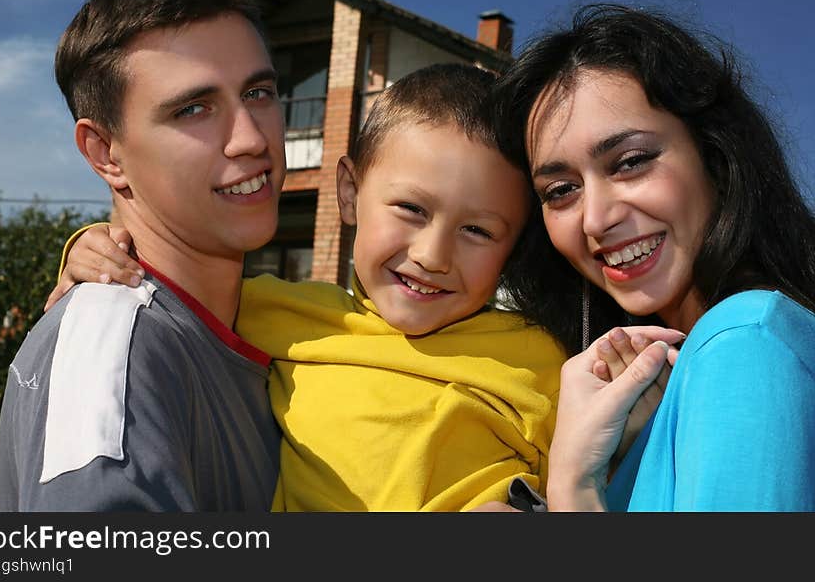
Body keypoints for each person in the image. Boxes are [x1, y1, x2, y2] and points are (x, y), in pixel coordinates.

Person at [48, 62, 684, 511]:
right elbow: (162, 285)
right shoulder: (278, 310)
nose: (432, 256)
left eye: (477, 231)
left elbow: (590, 474)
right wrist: (86, 249)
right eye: (410, 210)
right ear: (350, 193)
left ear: (514, 246)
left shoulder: (544, 357)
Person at [494, 3, 815, 511]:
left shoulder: (744, 343)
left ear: (715, 155)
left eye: (630, 162)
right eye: (561, 190)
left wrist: (574, 488)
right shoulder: (676, 377)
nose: (595, 218)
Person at [0, 0, 286, 511]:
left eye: (259, 92)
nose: (251, 138)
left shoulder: (269, 322)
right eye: (193, 109)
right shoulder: (113, 354)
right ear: (106, 153)